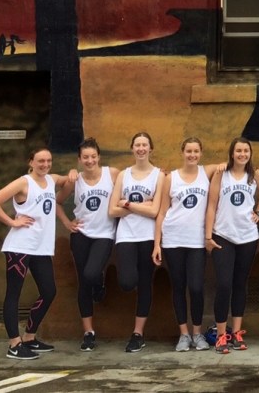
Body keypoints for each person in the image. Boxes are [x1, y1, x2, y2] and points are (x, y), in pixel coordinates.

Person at [0, 147, 76, 360]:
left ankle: (29, 337)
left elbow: (65, 180)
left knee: (49, 291)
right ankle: (14, 344)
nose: (45, 164)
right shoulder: (23, 183)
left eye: (48, 161)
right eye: (40, 161)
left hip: (41, 248)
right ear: (31, 162)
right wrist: (13, 222)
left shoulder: (51, 179)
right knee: (13, 294)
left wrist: (71, 172)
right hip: (19, 247)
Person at [153, 137, 219, 352]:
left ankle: (197, 333)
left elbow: (227, 166)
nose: (192, 155)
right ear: (182, 152)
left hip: (197, 241)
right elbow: (162, 212)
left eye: (196, 151)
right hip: (173, 239)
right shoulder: (171, 178)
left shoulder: (206, 172)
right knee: (179, 287)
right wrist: (157, 244)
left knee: (197, 287)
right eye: (188, 151)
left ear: (201, 153)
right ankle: (183, 334)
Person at [55, 138, 119, 352]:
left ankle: (99, 281)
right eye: (85, 157)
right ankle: (88, 332)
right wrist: (66, 222)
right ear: (80, 159)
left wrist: (163, 175)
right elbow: (56, 201)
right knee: (83, 281)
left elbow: (139, 180)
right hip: (81, 234)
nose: (90, 160)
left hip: (104, 234)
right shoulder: (75, 180)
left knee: (91, 273)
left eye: (93, 156)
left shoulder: (112, 174)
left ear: (99, 157)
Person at [205, 137, 259, 354]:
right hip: (223, 235)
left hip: (247, 237)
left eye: (246, 151)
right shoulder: (222, 174)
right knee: (224, 284)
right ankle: (221, 335)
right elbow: (211, 205)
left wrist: (258, 211)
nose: (242, 154)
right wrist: (208, 235)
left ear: (250, 153)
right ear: (232, 153)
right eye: (238, 150)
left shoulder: (255, 175)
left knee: (240, 284)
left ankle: (237, 333)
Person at [109, 131, 162, 353]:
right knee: (127, 281)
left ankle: (138, 333)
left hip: (148, 236)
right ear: (132, 149)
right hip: (126, 237)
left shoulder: (159, 175)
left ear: (151, 149)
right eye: (137, 145)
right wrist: (144, 206)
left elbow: (156, 211)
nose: (141, 148)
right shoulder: (123, 175)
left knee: (145, 284)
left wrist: (128, 205)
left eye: (145, 145)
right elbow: (112, 210)